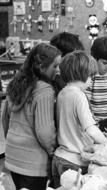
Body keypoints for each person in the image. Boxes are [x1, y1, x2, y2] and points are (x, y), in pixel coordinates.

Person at [1, 43, 61, 190]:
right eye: (55, 66)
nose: (58, 71)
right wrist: (54, 151)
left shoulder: (16, 83)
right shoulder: (44, 90)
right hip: (33, 163)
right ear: (41, 66)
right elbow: (44, 132)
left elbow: (5, 119)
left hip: (13, 156)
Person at [52, 50, 107, 188]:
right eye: (91, 77)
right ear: (85, 75)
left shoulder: (62, 93)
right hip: (75, 161)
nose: (91, 81)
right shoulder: (79, 95)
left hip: (59, 158)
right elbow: (90, 129)